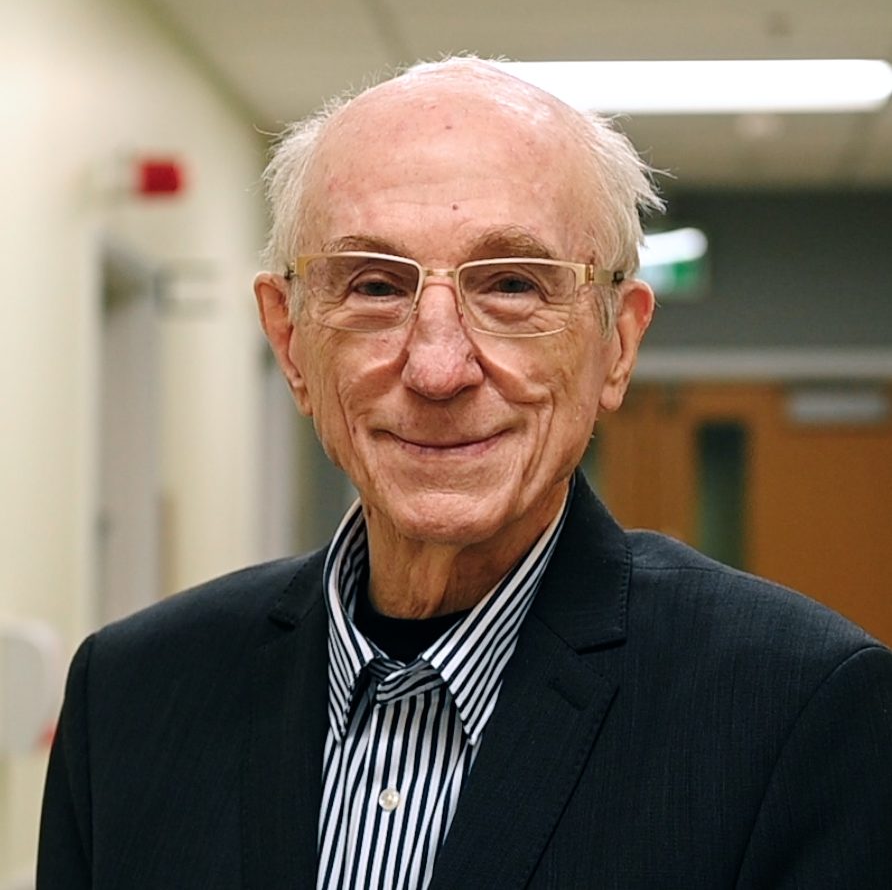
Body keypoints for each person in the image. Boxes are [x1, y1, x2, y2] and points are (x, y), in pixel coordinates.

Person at [38, 57, 892, 889]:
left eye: (513, 284)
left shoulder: (799, 712)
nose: (439, 368)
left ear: (617, 344)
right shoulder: (129, 697)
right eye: (374, 286)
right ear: (291, 341)